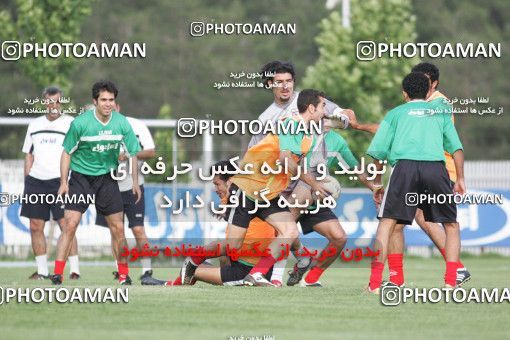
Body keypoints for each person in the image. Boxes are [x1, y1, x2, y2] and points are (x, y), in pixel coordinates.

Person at [180, 89, 330, 286]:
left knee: (290, 231)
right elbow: (286, 161)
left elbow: (294, 164)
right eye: (323, 107)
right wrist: (314, 184)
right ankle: (193, 260)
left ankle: (257, 274)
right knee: (234, 246)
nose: (325, 111)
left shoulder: (308, 136)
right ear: (311, 108)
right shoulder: (290, 124)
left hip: (267, 193)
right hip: (248, 187)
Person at [348, 62, 470, 286]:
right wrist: (461, 179)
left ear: (404, 93)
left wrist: (376, 183)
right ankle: (451, 280)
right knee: (450, 224)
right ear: (427, 90)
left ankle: (376, 282)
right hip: (436, 168)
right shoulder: (439, 111)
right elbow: (457, 148)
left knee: (388, 223)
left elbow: (378, 152)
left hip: (405, 168)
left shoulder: (396, 113)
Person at [50, 80, 141, 285]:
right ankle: (57, 273)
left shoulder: (121, 123)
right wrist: (64, 182)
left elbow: (133, 153)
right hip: (81, 178)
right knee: (70, 224)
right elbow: (66, 153)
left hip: (107, 179)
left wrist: (135, 182)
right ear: (95, 101)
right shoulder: (81, 123)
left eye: (111, 100)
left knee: (118, 228)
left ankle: (124, 275)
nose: (108, 104)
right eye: (104, 100)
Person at [95, 104, 164, 285]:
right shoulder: (96, 129)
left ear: (118, 106)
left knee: (138, 229)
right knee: (115, 231)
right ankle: (121, 272)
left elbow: (150, 151)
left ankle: (147, 270)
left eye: (112, 104)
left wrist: (127, 155)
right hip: (108, 187)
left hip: (134, 186)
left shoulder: (135, 125)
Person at [21, 86, 80, 280]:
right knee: (35, 226)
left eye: (57, 101)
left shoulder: (71, 123)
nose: (53, 105)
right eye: (49, 101)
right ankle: (42, 270)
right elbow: (28, 154)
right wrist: (27, 179)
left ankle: (74, 270)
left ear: (61, 102)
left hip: (61, 181)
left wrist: (71, 179)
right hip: (36, 182)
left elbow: (77, 153)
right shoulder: (34, 124)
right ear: (44, 102)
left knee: (66, 224)